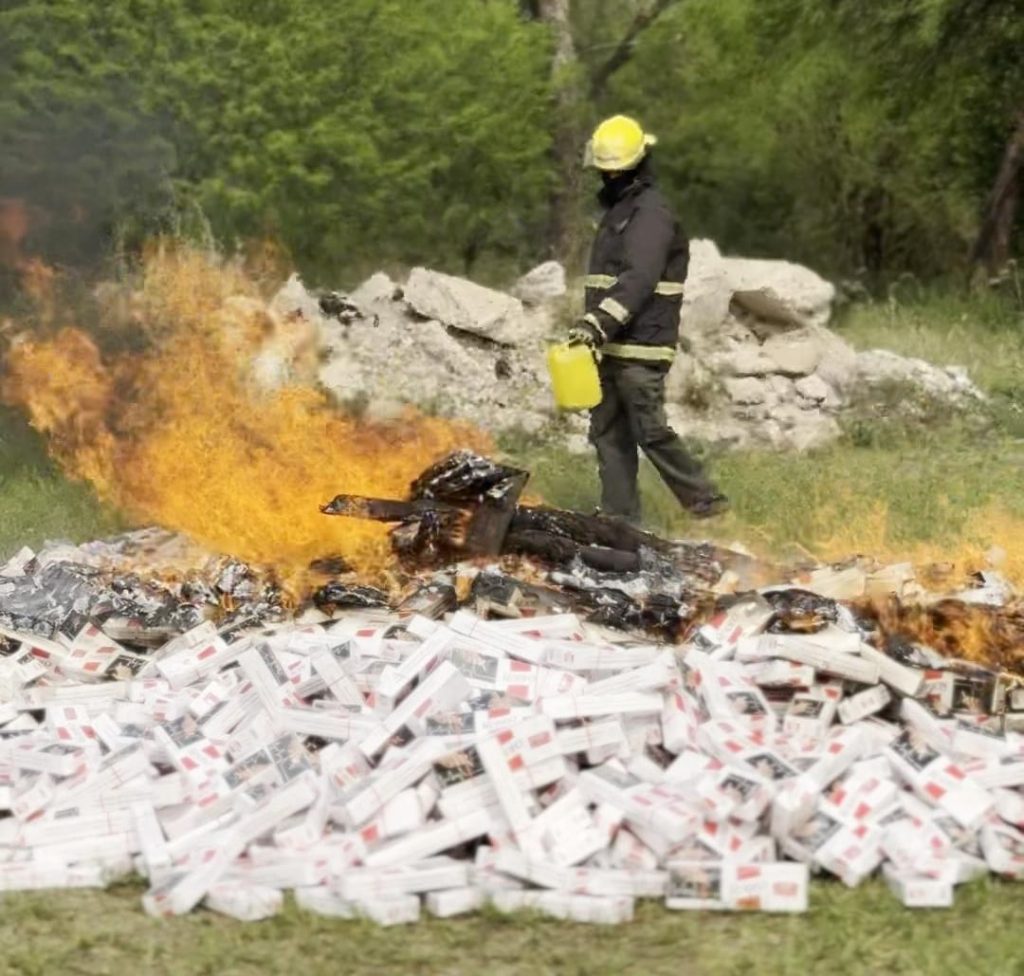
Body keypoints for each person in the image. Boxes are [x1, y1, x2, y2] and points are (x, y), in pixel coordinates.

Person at [569, 114, 727, 524]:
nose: (607, 179)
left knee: (649, 430)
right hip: (611, 345)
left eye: (612, 172)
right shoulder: (623, 209)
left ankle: (707, 504)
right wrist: (594, 330)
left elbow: (638, 279)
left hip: (642, 345)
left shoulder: (651, 214)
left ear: (634, 167)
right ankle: (619, 520)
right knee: (608, 433)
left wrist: (596, 323)